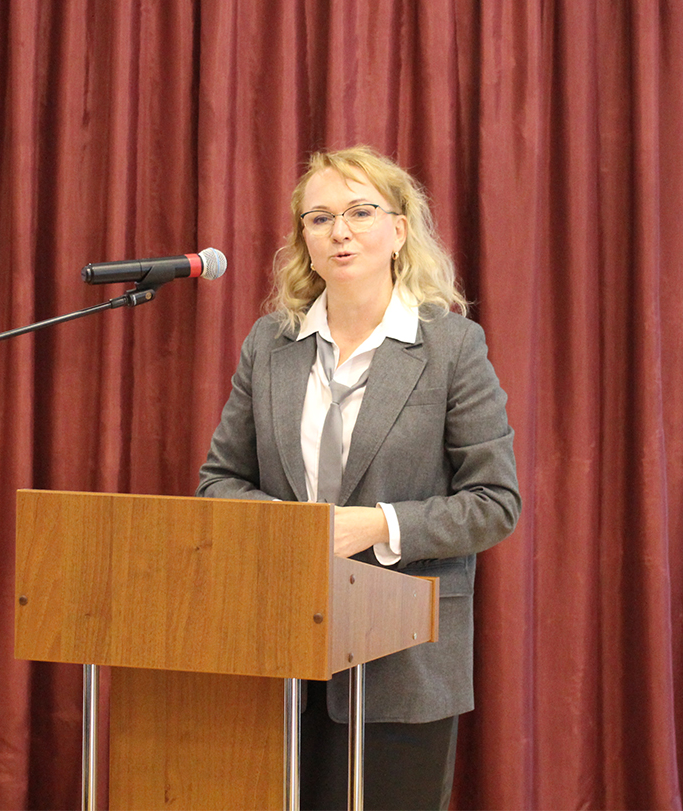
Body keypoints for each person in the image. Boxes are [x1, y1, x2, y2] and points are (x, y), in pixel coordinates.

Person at [196, 145, 520, 811]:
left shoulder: (452, 347)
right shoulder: (269, 344)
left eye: (360, 212)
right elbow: (219, 481)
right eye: (320, 218)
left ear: (399, 230)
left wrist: (377, 525)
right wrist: (294, 529)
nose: (339, 231)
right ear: (304, 243)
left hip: (404, 661)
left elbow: (494, 503)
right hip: (277, 653)